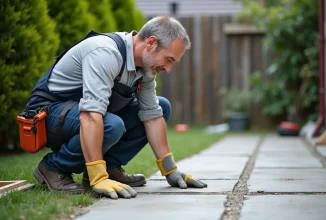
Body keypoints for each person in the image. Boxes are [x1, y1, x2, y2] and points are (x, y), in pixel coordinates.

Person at [26, 16, 207, 200]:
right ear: (151, 43)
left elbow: (152, 117)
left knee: (162, 107)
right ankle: (53, 167)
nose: (168, 69)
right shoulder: (105, 52)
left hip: (82, 115)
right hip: (46, 115)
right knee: (112, 124)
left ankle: (110, 167)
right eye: (168, 59)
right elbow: (90, 116)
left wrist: (170, 170)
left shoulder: (145, 68)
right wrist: (98, 178)